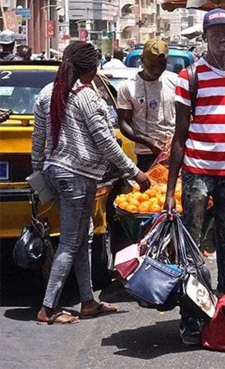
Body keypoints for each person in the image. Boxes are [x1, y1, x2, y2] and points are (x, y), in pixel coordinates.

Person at [163, 9, 225, 344]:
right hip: (196, 171)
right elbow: (179, 137)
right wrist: (169, 191)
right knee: (192, 250)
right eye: (215, 32)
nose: (222, 38)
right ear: (205, 37)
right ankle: (192, 319)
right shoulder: (189, 77)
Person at [31, 42, 151, 325]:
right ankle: (48, 308)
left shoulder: (46, 93)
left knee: (81, 235)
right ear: (93, 70)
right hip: (77, 177)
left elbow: (38, 141)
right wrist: (135, 173)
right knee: (71, 242)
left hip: (55, 174)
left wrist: (39, 172)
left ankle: (88, 301)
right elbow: (106, 142)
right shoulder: (88, 98)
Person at [117, 39, 176, 171]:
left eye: (161, 66)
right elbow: (123, 123)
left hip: (174, 153)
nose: (156, 70)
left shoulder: (175, 81)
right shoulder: (128, 87)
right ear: (142, 60)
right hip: (146, 155)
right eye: (152, 65)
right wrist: (147, 143)